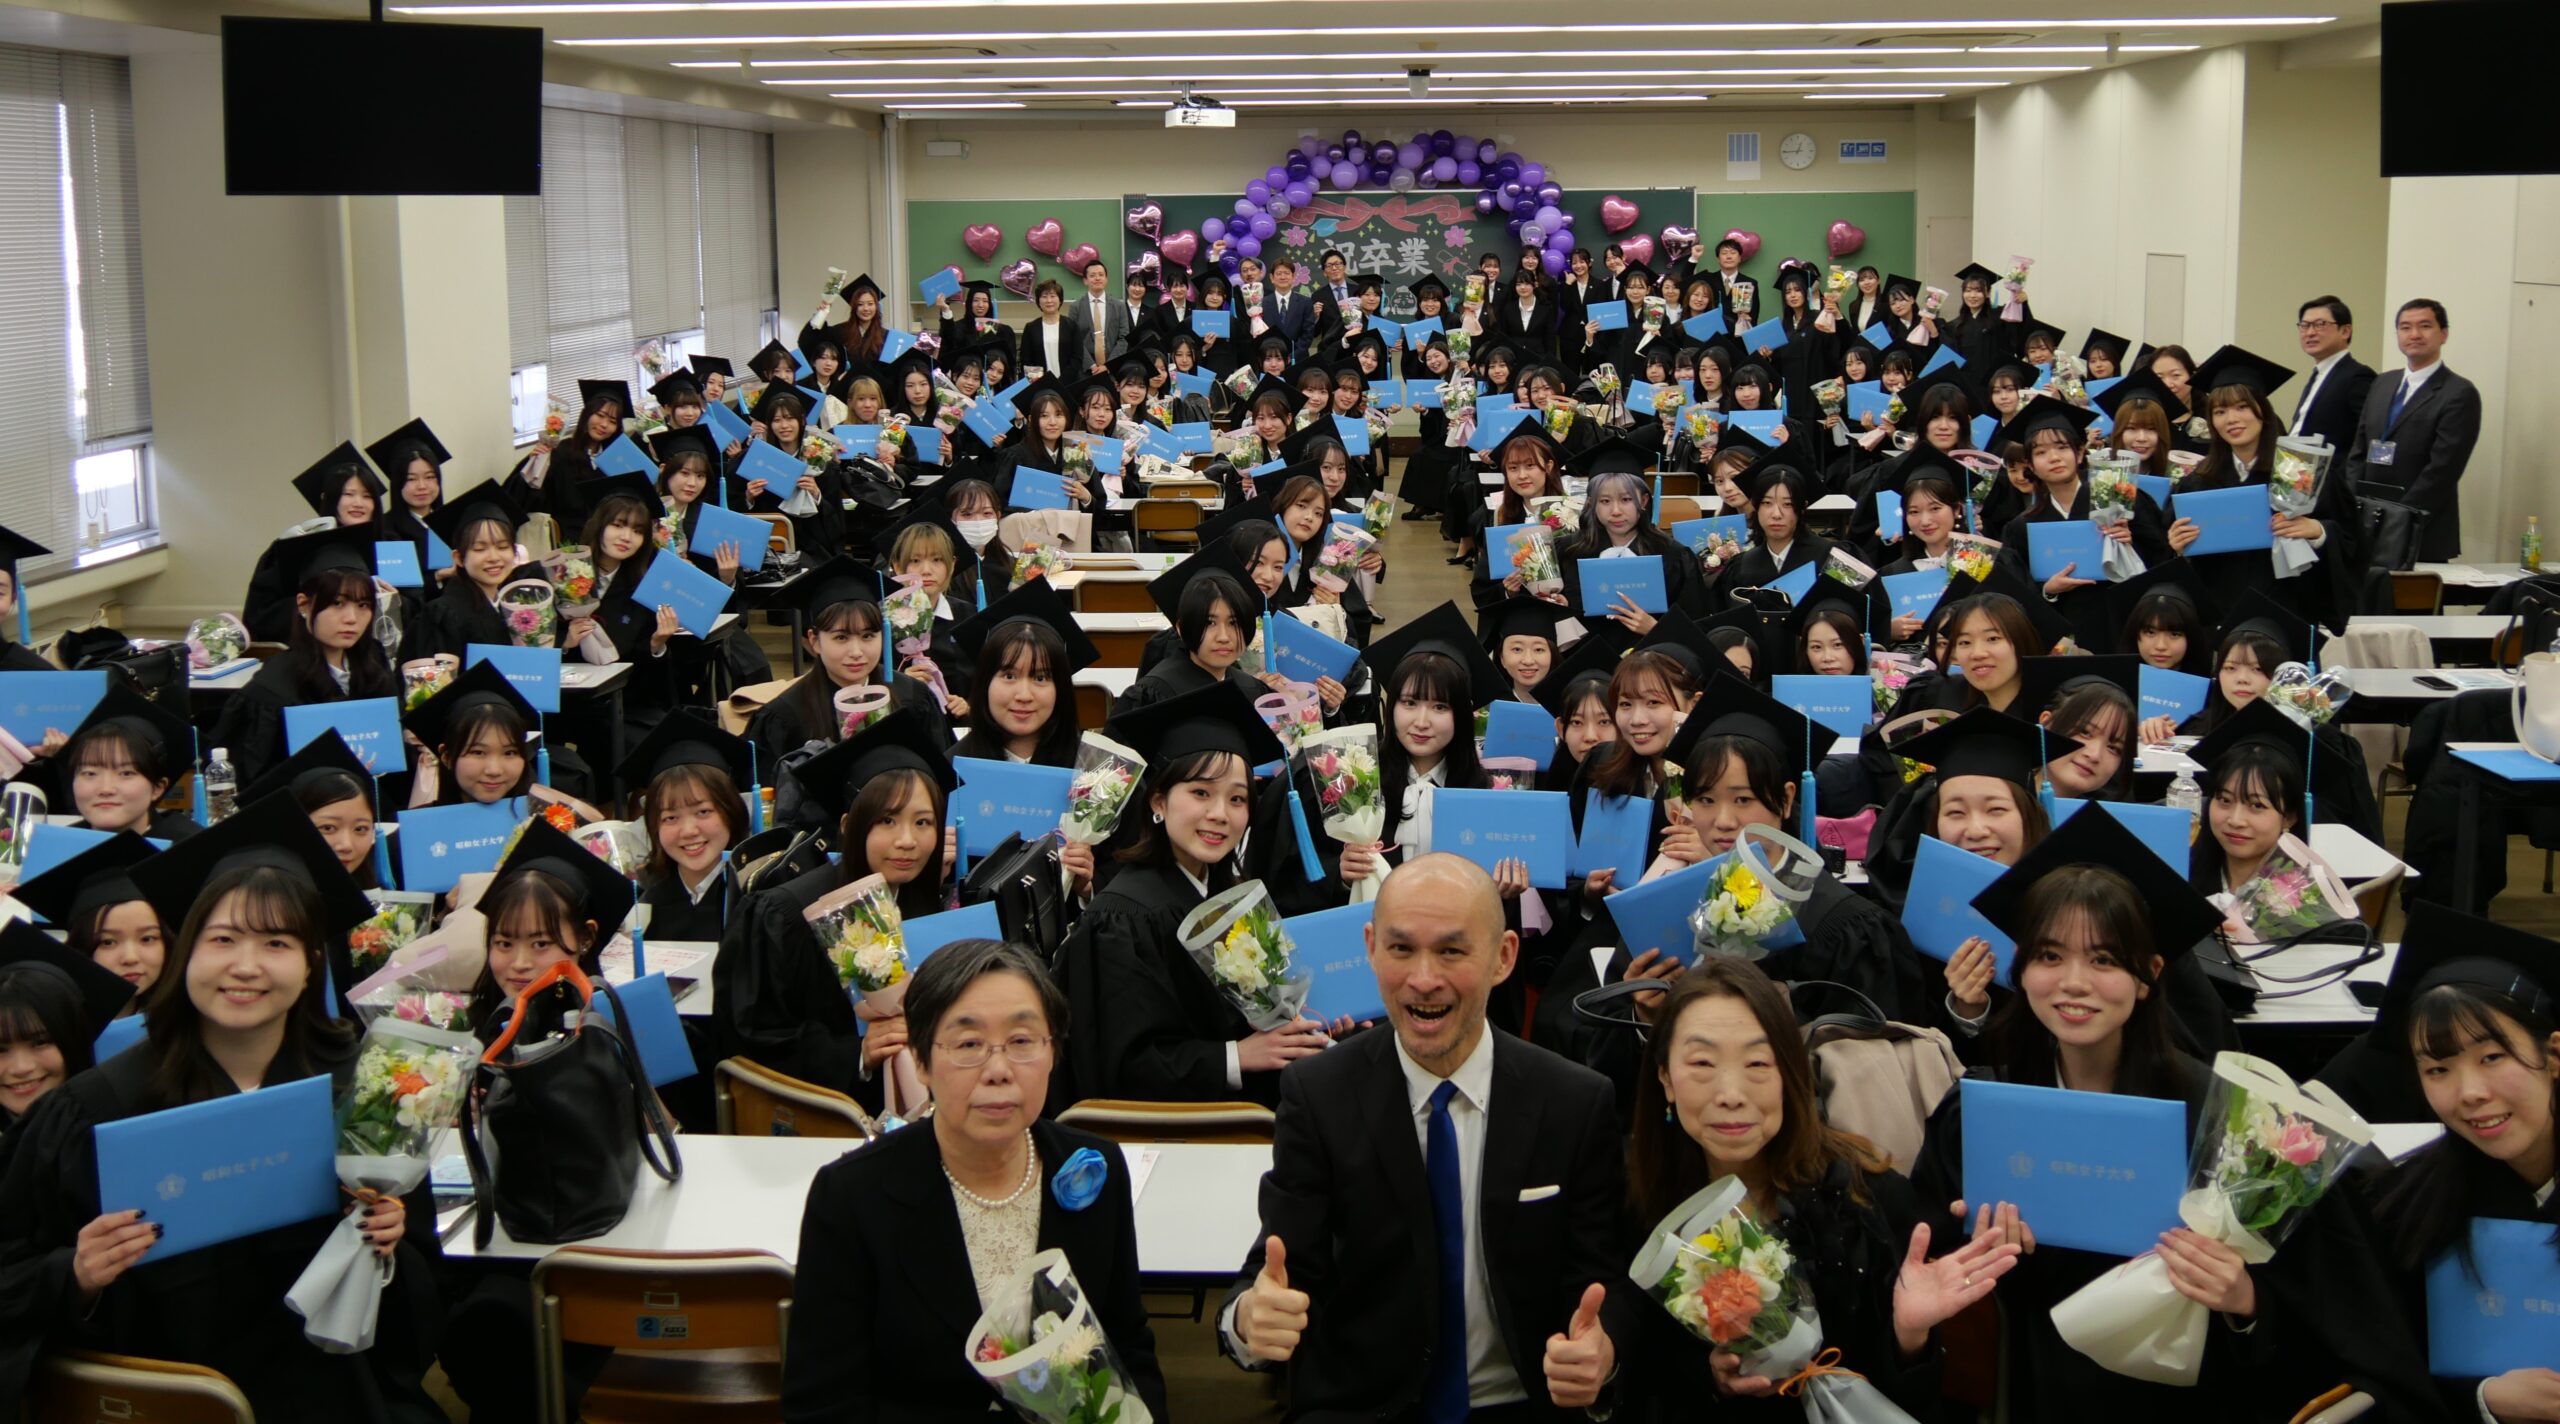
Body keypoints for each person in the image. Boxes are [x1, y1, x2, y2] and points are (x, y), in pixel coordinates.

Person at [0, 794, 435, 1419]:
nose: (245, 967)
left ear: (311, 963)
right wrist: (75, 1274)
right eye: (223, 939)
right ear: (186, 953)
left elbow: (423, 1279)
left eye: (277, 943)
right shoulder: (97, 1106)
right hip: (159, 1401)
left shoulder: (360, 1088)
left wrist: (392, 1241)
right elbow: (11, 1269)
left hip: (333, 1393)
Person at [1221, 852, 1636, 1419]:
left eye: (1451, 951)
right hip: (1365, 1409)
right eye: (1401, 949)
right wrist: (1249, 1319)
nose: (1423, 979)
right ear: (1370, 948)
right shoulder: (1319, 1095)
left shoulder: (1573, 1102)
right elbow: (1278, 1270)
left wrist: (1601, 1353)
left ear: (1504, 957)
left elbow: (1603, 1278)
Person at [1906, 808, 2250, 1421]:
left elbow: (2295, 1303)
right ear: (2021, 968)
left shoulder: (2212, 1115)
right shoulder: (1982, 1113)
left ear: (2148, 976)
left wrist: (2243, 1297)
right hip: (2034, 1380)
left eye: (2105, 960)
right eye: (2049, 955)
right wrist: (1979, 1254)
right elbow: (1928, 1268)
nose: (2073, 983)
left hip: (2183, 1390)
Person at [783, 938, 1168, 1423]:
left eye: (1022, 1041)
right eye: (968, 1045)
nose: (998, 1070)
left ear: (1053, 1051)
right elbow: (822, 1404)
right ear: (920, 1060)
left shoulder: (1095, 1168)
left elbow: (1127, 1347)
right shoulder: (852, 1196)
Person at [1622, 960, 2020, 1417]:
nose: (1730, 1093)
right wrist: (1711, 1378)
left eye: (1757, 1063)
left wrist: (1909, 1334)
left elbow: (1912, 1402)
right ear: (1665, 1078)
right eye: (1702, 1064)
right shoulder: (1640, 1202)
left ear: (1790, 1073)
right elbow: (1646, 1374)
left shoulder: (1867, 1196)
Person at [2252, 909, 2560, 1419]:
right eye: (2437, 1069)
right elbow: (2385, 1366)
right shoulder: (2406, 1207)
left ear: (2553, 1056)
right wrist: (2483, 1401)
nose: (2470, 1093)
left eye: (2492, 1057)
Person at [1054, 684, 1333, 1106]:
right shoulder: (1123, 917)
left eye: (1237, 799)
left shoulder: (1230, 895)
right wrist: (1236, 1057)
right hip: (1179, 1130)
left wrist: (1306, 1029)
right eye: (1201, 792)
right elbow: (1120, 1066)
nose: (1219, 814)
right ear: (1159, 802)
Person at [716, 711, 956, 1110]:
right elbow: (749, 1038)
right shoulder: (784, 914)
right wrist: (855, 1054)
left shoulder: (928, 902)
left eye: (923, 822)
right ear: (848, 825)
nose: (907, 840)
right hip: (821, 1117)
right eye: (887, 820)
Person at [212, 530, 402, 788]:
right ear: (304, 605)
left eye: (363, 605)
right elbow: (254, 784)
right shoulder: (272, 689)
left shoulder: (374, 661)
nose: (351, 619)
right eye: (337, 603)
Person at [2343, 297, 2482, 564]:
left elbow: (2442, 470)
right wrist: (2351, 508)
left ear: (2443, 334)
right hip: (2366, 522)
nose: (2414, 334)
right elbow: (2358, 451)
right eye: (2405, 327)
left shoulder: (2458, 393)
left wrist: (2396, 519)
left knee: (2412, 594)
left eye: (2425, 326)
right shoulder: (2382, 382)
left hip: (2420, 528)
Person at [618, 711, 755, 944]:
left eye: (703, 812)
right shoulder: (644, 903)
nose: (689, 831)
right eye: (670, 817)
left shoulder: (758, 895)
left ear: (731, 810)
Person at [0, 922, 128, 1133]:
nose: (21, 1068)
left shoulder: (118, 1131)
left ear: (73, 1040)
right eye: (0, 1049)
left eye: (40, 1042)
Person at [2286, 295, 2375, 454]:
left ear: (2345, 331)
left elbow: (2369, 435)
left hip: (2330, 468)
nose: (2310, 332)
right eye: (2304, 325)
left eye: (2320, 324)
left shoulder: (2357, 376)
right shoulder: (2318, 375)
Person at [1064, 258, 1131, 374]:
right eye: (1092, 275)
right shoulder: (1076, 307)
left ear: (1106, 279)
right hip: (1085, 370)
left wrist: (1109, 365)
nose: (1097, 278)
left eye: (1101, 275)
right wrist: (1091, 365)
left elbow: (1124, 338)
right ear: (1085, 280)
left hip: (1113, 370)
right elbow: (1074, 340)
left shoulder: (1119, 306)